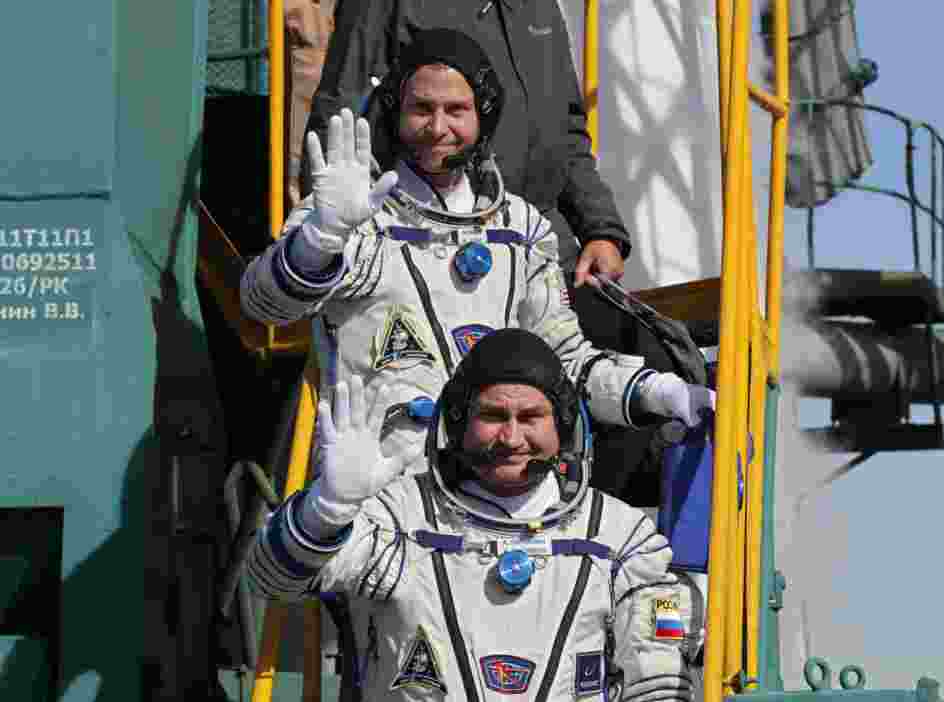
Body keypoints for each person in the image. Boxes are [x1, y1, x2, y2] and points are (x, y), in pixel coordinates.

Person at [241, 29, 714, 464]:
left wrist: (660, 392)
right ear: (395, 114)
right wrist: (321, 239)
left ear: (483, 115)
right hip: (380, 492)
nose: (438, 127)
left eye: (456, 110)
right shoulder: (355, 213)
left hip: (496, 498)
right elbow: (264, 305)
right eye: (421, 109)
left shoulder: (521, 230)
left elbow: (565, 364)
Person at [247, 328, 697, 701]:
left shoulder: (620, 538)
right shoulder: (401, 519)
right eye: (493, 415)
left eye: (531, 416)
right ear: (459, 422)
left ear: (562, 425)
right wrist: (327, 509)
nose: (512, 437)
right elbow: (270, 579)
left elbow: (657, 677)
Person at [301, 0, 629, 288]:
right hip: (439, 250)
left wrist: (601, 231)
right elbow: (341, 117)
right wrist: (327, 246)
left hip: (546, 248)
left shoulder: (540, 6)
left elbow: (567, 128)